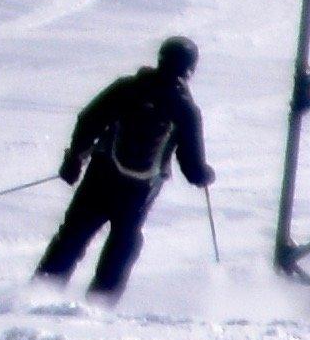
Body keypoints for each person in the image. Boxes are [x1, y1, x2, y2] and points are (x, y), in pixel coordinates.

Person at [36, 34, 212, 295]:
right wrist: (205, 176)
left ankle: (39, 293)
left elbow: (88, 120)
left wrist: (74, 158)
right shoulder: (185, 109)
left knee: (73, 235)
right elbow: (192, 167)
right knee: (124, 243)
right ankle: (99, 303)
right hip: (140, 189)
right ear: (190, 68)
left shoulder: (127, 88)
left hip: (101, 176)